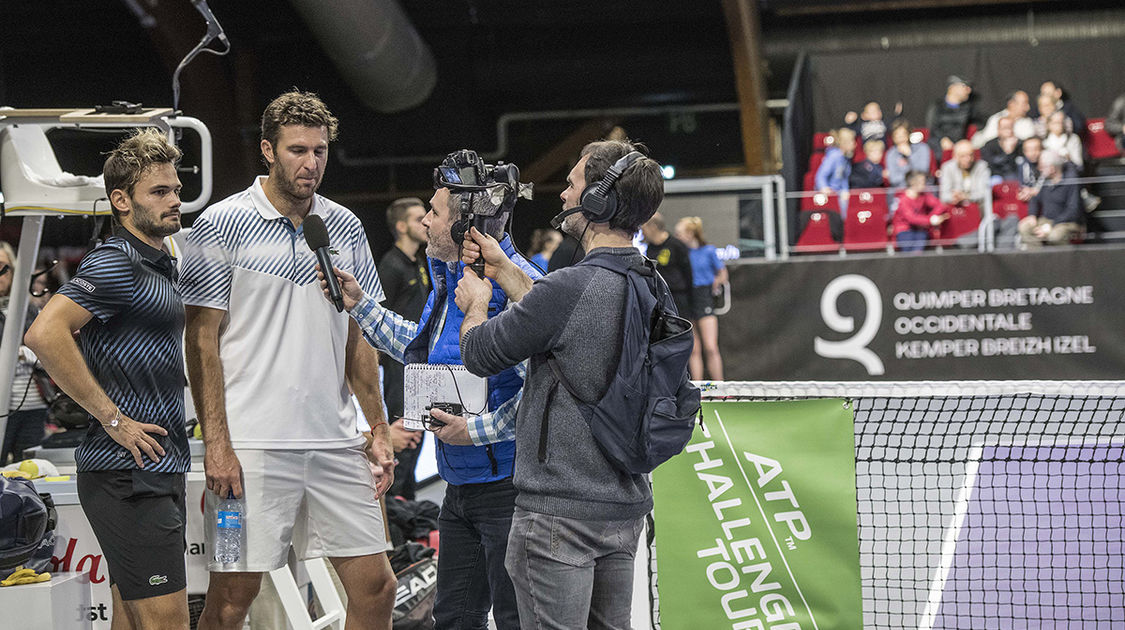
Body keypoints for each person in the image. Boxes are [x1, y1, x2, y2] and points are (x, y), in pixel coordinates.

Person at [181, 91, 396, 630]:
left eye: (320, 151)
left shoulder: (343, 226)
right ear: (267, 151)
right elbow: (201, 340)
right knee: (231, 598)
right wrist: (218, 445)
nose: (311, 163)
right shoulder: (220, 223)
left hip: (335, 443)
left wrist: (378, 425)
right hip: (250, 448)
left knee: (377, 588)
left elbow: (359, 336)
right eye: (298, 150)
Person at [317, 149, 538, 630]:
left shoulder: (518, 287)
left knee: (520, 620)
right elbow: (417, 345)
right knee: (455, 617)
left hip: (509, 492)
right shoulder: (452, 280)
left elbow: (544, 393)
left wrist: (475, 430)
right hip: (459, 488)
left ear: (465, 229)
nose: (424, 223)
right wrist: (359, 303)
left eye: (433, 213)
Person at [452, 138, 665, 630]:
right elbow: (563, 323)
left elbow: (480, 353)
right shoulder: (649, 282)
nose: (565, 196)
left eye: (572, 185)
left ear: (598, 200)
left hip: (556, 518)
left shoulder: (570, 286)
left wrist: (477, 305)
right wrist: (504, 268)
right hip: (623, 509)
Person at [24, 128, 190, 629]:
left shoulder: (159, 263)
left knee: (130, 617)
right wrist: (114, 419)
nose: (174, 200)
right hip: (127, 473)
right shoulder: (116, 262)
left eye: (176, 189)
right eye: (159, 192)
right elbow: (44, 334)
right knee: (167, 624)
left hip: (153, 467)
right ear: (120, 200)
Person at [378, 197, 431, 500]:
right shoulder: (391, 265)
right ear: (401, 226)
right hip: (399, 368)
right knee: (403, 433)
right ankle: (396, 510)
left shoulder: (418, 263)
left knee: (418, 435)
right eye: (417, 218)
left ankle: (409, 507)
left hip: (419, 365)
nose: (425, 222)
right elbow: (377, 319)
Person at [0, 242, 49, 464]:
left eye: (3, 267)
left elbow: (49, 350)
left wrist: (22, 353)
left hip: (34, 404)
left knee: (29, 471)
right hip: (3, 405)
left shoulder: (29, 309)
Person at [673, 216, 727, 381]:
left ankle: (721, 387)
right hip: (686, 297)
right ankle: (697, 389)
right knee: (694, 349)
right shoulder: (682, 253)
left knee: (710, 347)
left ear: (690, 234)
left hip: (703, 297)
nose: (677, 237)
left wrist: (715, 284)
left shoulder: (708, 251)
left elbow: (722, 273)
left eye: (680, 233)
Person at [1019, 150, 1083, 247]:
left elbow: (1073, 211)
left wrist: (1051, 225)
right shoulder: (1045, 180)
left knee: (1055, 236)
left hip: (1067, 223)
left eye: (1042, 166)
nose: (1039, 169)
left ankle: (1062, 261)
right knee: (1024, 227)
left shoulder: (1071, 182)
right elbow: (1035, 198)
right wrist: (1032, 215)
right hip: (1046, 220)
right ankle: (1038, 258)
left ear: (1052, 169)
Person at [641, 212, 693, 318]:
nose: (642, 232)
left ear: (653, 227)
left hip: (678, 297)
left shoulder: (676, 245)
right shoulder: (650, 248)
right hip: (659, 298)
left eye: (644, 228)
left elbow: (688, 273)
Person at [925, 75, 983, 155]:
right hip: (938, 142)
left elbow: (982, 121)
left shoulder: (968, 108)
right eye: (964, 86)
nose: (969, 90)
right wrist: (942, 139)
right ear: (952, 88)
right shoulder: (937, 106)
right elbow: (932, 126)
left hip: (959, 144)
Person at [892, 171, 948, 252]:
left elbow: (940, 205)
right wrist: (930, 220)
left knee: (921, 240)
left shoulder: (924, 195)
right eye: (922, 181)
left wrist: (933, 216)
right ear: (913, 183)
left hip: (920, 230)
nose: (924, 184)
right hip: (904, 230)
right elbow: (911, 218)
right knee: (909, 245)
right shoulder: (903, 200)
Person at [814, 127, 856, 212]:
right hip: (830, 195)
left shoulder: (846, 158)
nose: (855, 144)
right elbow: (821, 175)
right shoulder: (834, 156)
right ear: (845, 143)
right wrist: (824, 188)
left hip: (839, 194)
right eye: (852, 141)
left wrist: (845, 191)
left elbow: (844, 178)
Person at [885, 120, 933, 191]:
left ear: (908, 134)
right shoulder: (891, 154)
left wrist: (909, 155)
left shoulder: (922, 148)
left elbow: (923, 171)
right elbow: (893, 179)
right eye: (897, 135)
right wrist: (910, 179)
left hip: (922, 188)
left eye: (903, 135)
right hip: (901, 190)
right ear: (893, 138)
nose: (900, 138)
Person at [979, 116, 1022, 183]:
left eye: (1010, 127)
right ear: (998, 130)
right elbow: (990, 165)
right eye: (1005, 128)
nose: (1008, 131)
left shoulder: (1020, 144)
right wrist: (1007, 152)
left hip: (1015, 176)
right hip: (995, 176)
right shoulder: (990, 145)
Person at [1016, 136, 1043, 202]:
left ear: (1042, 149)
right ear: (1024, 152)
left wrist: (1034, 191)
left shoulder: (1048, 165)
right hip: (1028, 198)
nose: (1033, 153)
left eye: (1036, 149)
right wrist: (1025, 191)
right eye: (1029, 150)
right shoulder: (1022, 164)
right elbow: (1021, 184)